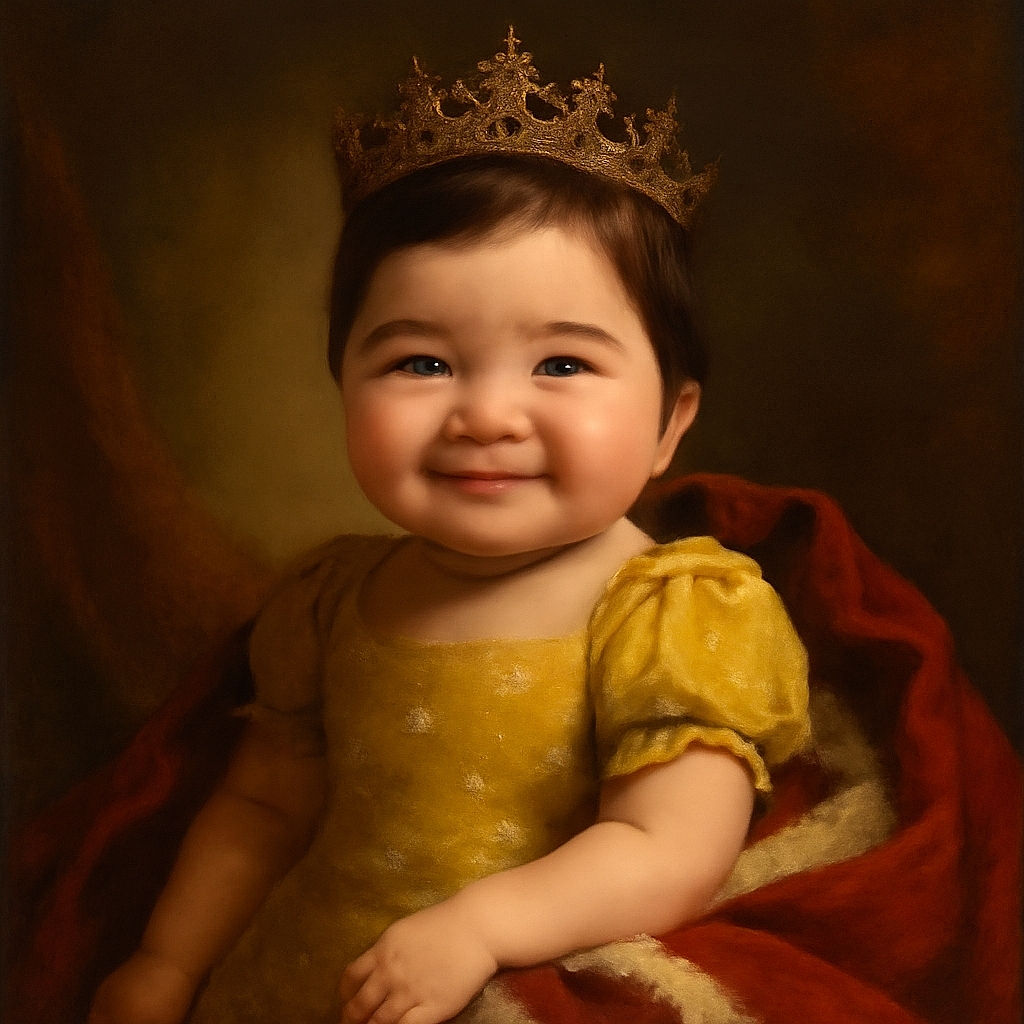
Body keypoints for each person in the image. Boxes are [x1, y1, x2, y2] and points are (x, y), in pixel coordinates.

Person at [87, 31, 806, 1024]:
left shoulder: (670, 612)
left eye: (560, 365)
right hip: (293, 978)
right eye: (422, 363)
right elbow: (264, 808)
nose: (485, 416)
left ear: (669, 421)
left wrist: (481, 927)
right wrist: (167, 965)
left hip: (515, 985)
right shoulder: (334, 597)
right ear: (342, 386)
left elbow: (668, 849)